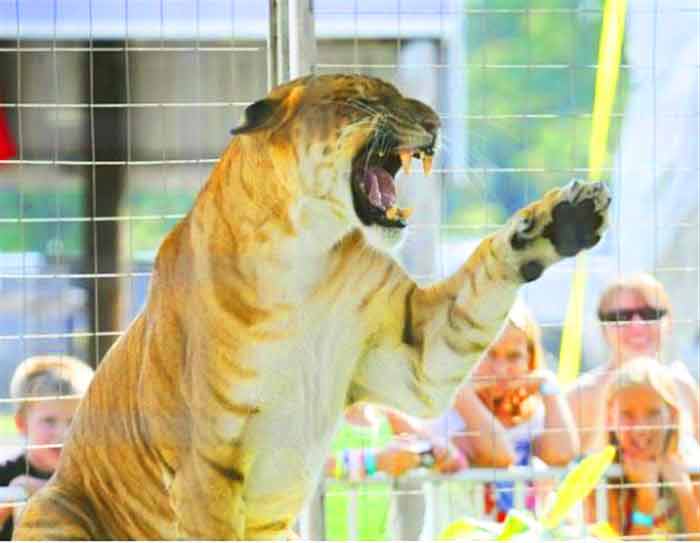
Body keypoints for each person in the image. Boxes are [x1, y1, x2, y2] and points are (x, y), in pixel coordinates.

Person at [427, 300, 579, 521]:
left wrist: (548, 385)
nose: (500, 370)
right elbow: (499, 454)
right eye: (489, 354)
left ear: (530, 359)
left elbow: (561, 454)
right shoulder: (447, 415)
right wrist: (461, 391)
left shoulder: (532, 416)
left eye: (514, 356)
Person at [567, 273, 700, 455]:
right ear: (603, 327)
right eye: (622, 316)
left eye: (649, 314)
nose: (637, 325)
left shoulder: (683, 385)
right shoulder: (580, 394)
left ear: (669, 321)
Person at [590, 356, 700, 537]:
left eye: (653, 413)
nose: (641, 427)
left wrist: (684, 492)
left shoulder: (691, 461)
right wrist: (646, 499)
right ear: (611, 418)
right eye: (627, 414)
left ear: (672, 415)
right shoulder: (602, 476)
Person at [321, 402, 464, 540]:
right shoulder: (320, 414)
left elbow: (456, 461)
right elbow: (312, 469)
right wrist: (376, 462)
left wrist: (438, 453)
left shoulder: (387, 415)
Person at [0, 355, 94, 540]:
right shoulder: (5, 475)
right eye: (49, 421)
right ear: (22, 424)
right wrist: (11, 500)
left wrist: (35, 490)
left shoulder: (90, 477)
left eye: (73, 421)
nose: (63, 433)